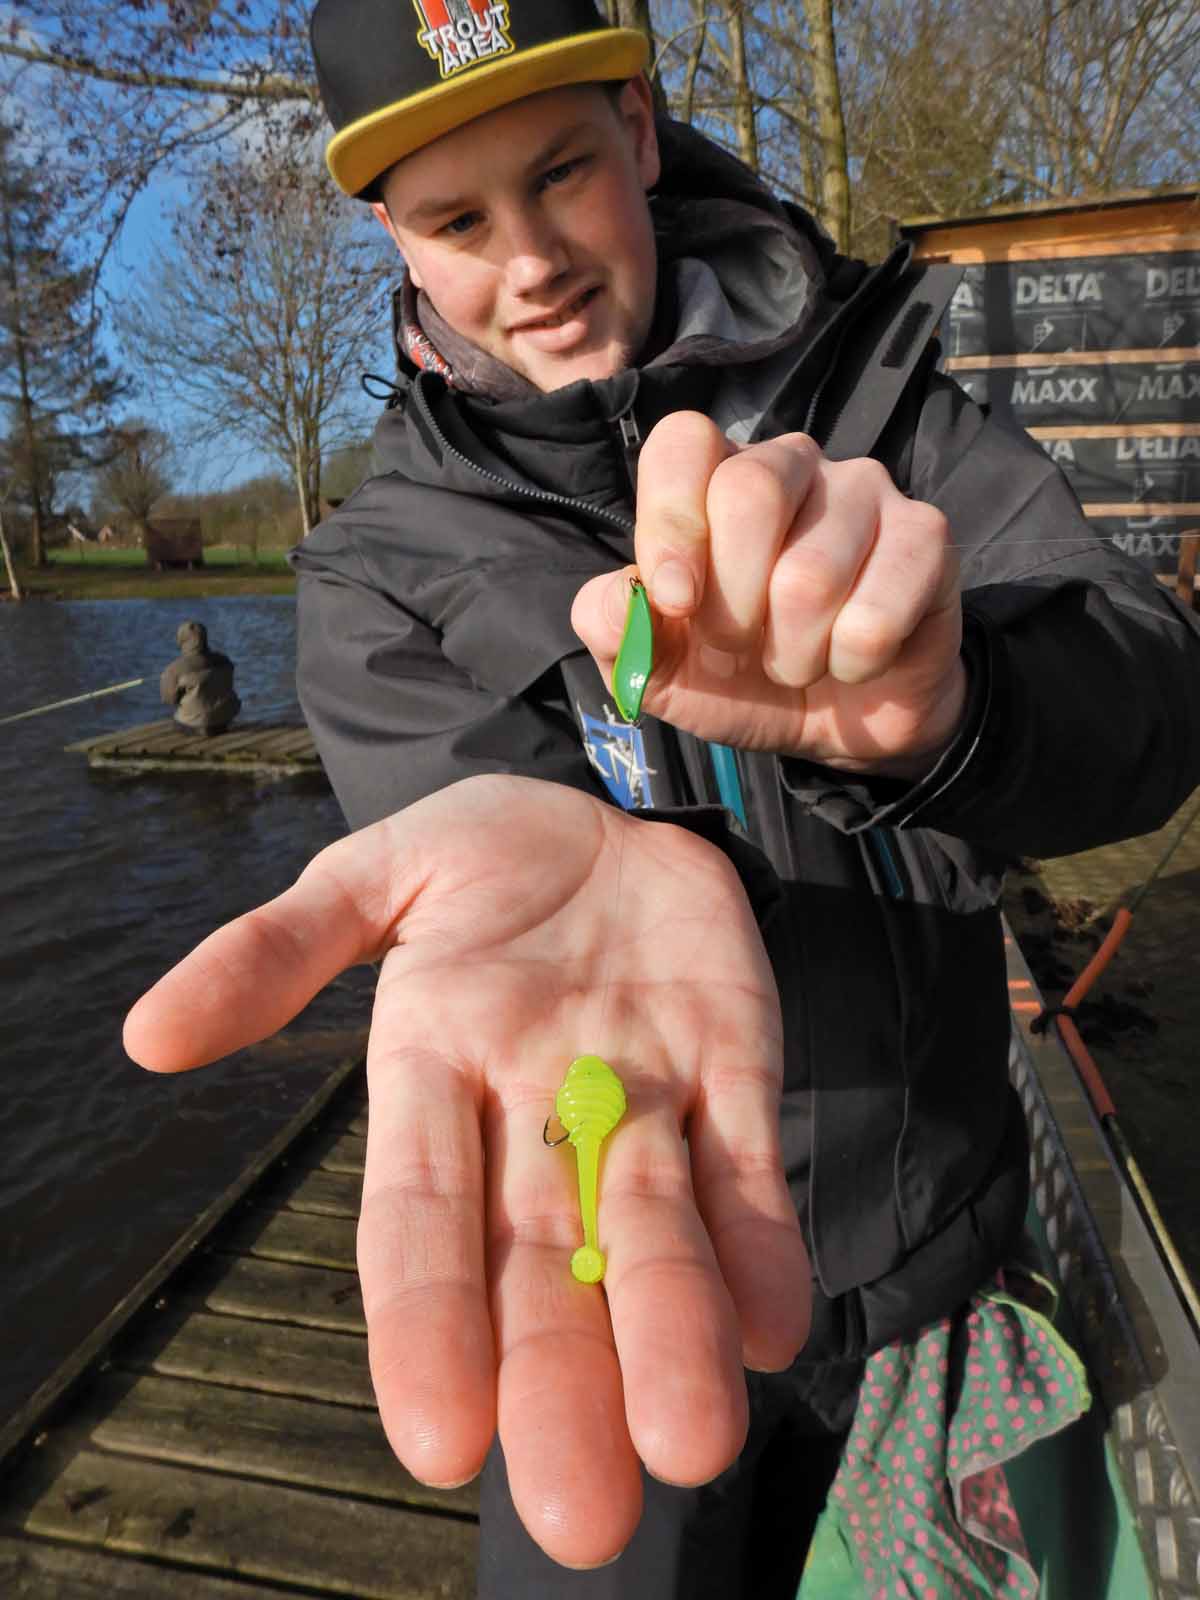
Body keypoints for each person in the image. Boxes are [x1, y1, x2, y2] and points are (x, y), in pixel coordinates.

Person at [124, 2, 1200, 1595]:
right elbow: (483, 850)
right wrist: (556, 862)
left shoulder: (889, 405)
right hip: (612, 1280)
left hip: (941, 1273)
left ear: (640, 130)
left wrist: (949, 703)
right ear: (396, 243)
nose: (532, 260)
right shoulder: (373, 569)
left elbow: (1156, 698)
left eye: (558, 173)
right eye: (457, 219)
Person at [159, 620, 241, 736]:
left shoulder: (173, 669)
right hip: (224, 721)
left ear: (181, 640)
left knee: (175, 719)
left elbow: (169, 700)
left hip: (194, 725)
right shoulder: (225, 660)